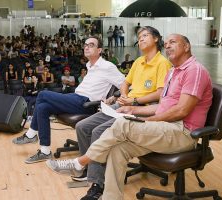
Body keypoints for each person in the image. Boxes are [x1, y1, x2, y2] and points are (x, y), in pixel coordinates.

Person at [46, 34, 213, 200]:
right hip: (166, 128)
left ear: (186, 47)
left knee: (122, 124)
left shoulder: (194, 70)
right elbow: (162, 107)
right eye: (167, 43)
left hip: (182, 132)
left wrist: (145, 122)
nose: (167, 46)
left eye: (173, 42)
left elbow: (181, 111)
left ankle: (79, 163)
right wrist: (132, 109)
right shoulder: (173, 72)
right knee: (117, 150)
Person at [52, 26, 171, 200]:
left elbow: (161, 93)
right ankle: (87, 169)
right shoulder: (139, 61)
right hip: (125, 104)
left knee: (98, 132)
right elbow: (125, 83)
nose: (141, 39)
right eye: (139, 36)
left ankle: (97, 185)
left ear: (156, 39)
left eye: (145, 35)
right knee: (83, 126)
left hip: (144, 108)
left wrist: (134, 101)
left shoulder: (162, 63)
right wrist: (123, 95)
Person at [12, 36, 125, 164]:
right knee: (43, 107)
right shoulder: (90, 65)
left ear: (99, 50)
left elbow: (126, 83)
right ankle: (45, 151)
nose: (86, 47)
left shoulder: (107, 66)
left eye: (91, 45)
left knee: (42, 94)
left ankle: (31, 134)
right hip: (75, 98)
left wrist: (113, 98)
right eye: (85, 44)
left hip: (86, 103)